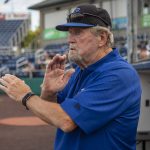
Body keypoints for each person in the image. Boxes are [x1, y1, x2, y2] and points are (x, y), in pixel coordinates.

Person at [0, 4, 141, 150]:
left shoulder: (119, 74)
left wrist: (25, 95)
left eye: (78, 32)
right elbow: (53, 115)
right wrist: (49, 92)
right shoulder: (79, 70)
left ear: (101, 38)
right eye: (70, 32)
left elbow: (66, 121)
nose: (70, 40)